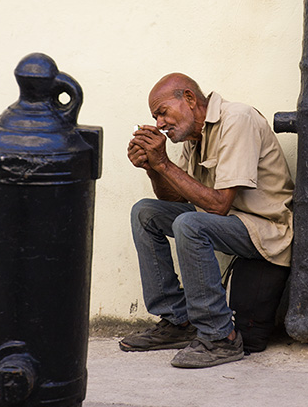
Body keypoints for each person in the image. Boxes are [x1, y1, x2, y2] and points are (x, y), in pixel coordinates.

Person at [119, 73, 294, 368]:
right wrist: (153, 169)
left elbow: (219, 204)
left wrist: (164, 163)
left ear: (188, 99)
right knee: (145, 213)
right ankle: (178, 322)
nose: (160, 123)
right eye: (155, 117)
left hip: (265, 229)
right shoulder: (194, 136)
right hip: (226, 223)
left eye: (162, 112)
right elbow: (177, 199)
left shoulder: (238, 119)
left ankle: (219, 337)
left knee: (190, 224)